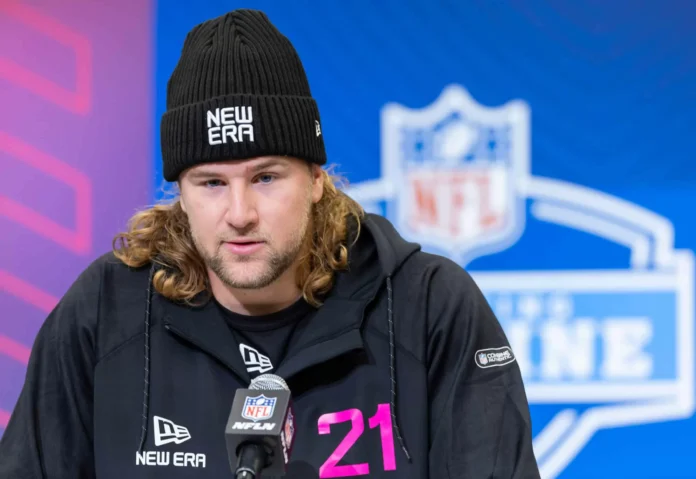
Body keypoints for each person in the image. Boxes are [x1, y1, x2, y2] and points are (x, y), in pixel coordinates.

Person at [0, 8, 540, 479]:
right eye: (212, 183)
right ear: (180, 193)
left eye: (265, 177)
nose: (240, 214)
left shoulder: (430, 308)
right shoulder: (103, 315)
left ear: (316, 179)